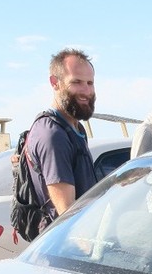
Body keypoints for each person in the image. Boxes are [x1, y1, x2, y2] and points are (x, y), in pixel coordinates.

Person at [25, 48, 98, 225]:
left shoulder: (75, 127)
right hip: (66, 246)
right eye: (76, 82)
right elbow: (67, 214)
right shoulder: (52, 135)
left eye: (90, 83)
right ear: (55, 83)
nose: (86, 91)